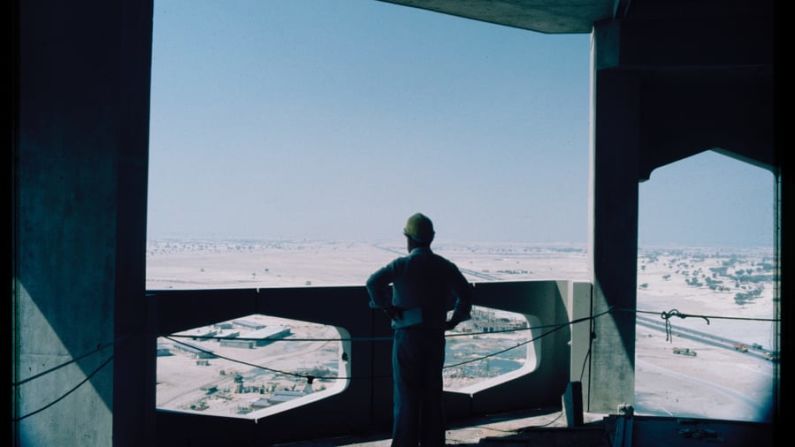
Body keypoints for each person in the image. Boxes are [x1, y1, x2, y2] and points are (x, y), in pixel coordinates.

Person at [366, 212, 473, 447]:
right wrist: (453, 321)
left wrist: (387, 307)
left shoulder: (402, 265)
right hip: (435, 335)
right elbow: (465, 295)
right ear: (431, 238)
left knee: (406, 395)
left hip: (407, 336)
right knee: (433, 393)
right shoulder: (444, 266)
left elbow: (373, 283)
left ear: (409, 239)